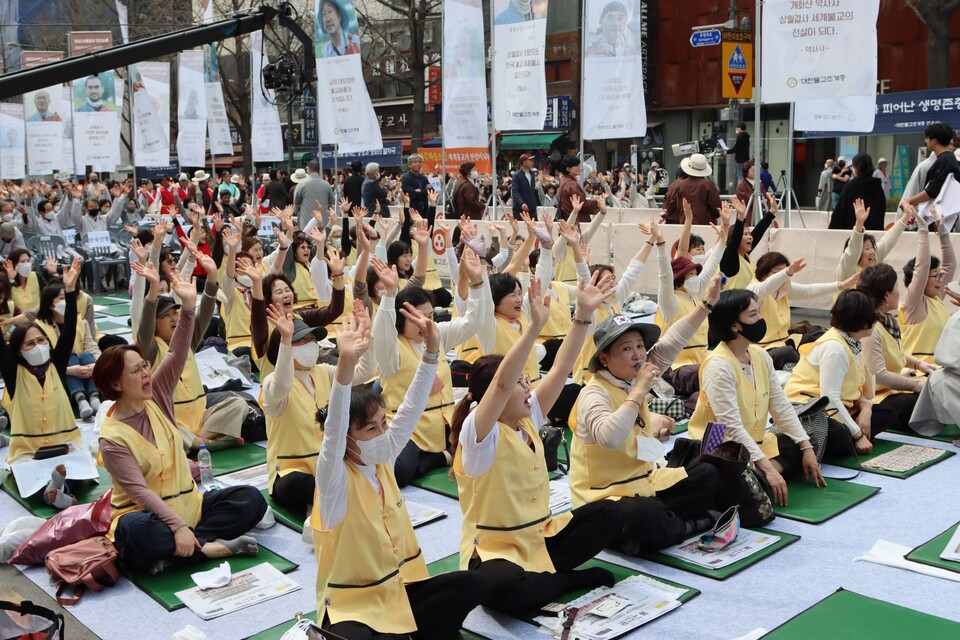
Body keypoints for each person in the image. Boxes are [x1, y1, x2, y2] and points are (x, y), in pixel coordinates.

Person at [450, 275, 624, 615]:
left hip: (539, 537)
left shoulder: (529, 418)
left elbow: (561, 368)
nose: (529, 389)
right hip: (494, 550)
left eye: (527, 380)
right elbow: (500, 385)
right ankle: (567, 580)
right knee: (501, 589)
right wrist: (532, 330)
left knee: (609, 512)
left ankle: (546, 577)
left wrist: (583, 315)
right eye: (521, 382)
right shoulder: (478, 434)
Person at [310, 306, 485, 638]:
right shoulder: (334, 478)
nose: (382, 433)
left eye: (383, 424)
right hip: (354, 605)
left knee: (473, 584)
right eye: (370, 429)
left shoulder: (384, 457)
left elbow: (411, 406)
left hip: (400, 590)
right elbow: (333, 431)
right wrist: (345, 365)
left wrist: (432, 351)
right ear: (348, 437)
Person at [94, 272, 267, 575]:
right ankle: (207, 546)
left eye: (145, 366)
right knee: (135, 531)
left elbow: (175, 353)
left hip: (190, 507)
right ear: (116, 385)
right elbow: (141, 495)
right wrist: (175, 526)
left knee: (251, 499)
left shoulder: (156, 395)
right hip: (147, 515)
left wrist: (188, 308)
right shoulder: (112, 438)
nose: (146, 374)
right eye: (136, 371)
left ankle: (187, 550)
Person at [571, 275, 722, 553]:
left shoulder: (631, 378)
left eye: (640, 346)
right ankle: (680, 525)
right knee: (639, 514)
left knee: (708, 473)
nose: (638, 355)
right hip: (606, 499)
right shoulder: (594, 394)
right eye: (626, 349)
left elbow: (672, 342)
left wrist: (706, 304)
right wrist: (639, 391)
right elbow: (609, 439)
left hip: (643, 484)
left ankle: (651, 530)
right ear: (604, 358)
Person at [689, 289, 826, 507]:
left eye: (759, 312)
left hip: (755, 444)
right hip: (721, 448)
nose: (761, 319)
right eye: (753, 315)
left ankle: (755, 474)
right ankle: (755, 475)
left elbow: (780, 405)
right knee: (754, 494)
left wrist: (806, 447)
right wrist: (770, 469)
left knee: (808, 441)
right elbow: (732, 427)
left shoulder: (760, 355)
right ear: (735, 326)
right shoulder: (718, 366)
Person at [373, 256, 486, 486]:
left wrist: (476, 284)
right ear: (399, 319)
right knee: (396, 472)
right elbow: (381, 334)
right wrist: (389, 294)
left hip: (446, 424)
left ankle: (438, 456)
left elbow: (473, 322)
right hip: (412, 431)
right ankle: (440, 458)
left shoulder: (437, 333)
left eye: (430, 316)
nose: (426, 323)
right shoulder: (391, 350)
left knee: (488, 446)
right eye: (417, 317)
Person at [133, 250, 247, 450]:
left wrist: (212, 276)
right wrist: (152, 289)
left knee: (239, 404)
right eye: (166, 316)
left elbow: (203, 314)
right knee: (160, 427)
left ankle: (199, 442)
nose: (174, 319)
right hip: (171, 419)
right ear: (155, 322)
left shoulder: (187, 341)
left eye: (176, 313)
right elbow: (144, 326)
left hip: (201, 417)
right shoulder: (150, 349)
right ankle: (211, 443)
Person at [1, 259, 82, 494]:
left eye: (41, 340)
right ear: (18, 350)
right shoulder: (13, 373)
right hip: (28, 453)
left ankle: (56, 490)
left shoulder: (56, 365)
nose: (38, 346)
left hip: (64, 448)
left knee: (78, 472)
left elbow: (68, 329)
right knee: (30, 478)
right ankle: (54, 493)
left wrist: (69, 292)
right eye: (30, 343)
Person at [785, 291, 897, 456]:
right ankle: (846, 441)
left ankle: (845, 440)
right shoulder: (835, 349)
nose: (876, 320)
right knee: (841, 435)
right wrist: (858, 435)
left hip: (841, 407)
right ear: (862, 321)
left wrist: (866, 410)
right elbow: (829, 399)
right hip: (810, 411)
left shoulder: (853, 342)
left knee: (888, 413)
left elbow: (863, 388)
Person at [748, 252, 858, 369]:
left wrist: (841, 285)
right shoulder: (754, 290)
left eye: (785, 273)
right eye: (778, 273)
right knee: (786, 353)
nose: (784, 278)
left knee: (820, 334)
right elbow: (766, 287)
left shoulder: (783, 287)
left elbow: (808, 291)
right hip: (763, 349)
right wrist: (787, 272)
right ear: (763, 274)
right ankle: (805, 371)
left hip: (785, 341)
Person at [857, 264, 935, 429]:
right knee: (926, 399)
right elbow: (879, 375)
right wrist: (915, 385)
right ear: (886, 295)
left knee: (934, 386)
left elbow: (893, 352)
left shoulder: (886, 321)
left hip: (890, 389)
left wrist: (917, 363)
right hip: (875, 397)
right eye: (896, 287)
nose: (899, 292)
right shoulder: (870, 328)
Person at [35, 281, 101, 419]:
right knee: (70, 358)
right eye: (61, 298)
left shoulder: (80, 321)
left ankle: (94, 398)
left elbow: (90, 344)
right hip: (56, 372)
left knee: (86, 355)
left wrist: (97, 364)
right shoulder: (38, 327)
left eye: (67, 297)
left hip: (83, 366)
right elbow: (42, 360)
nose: (66, 301)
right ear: (50, 303)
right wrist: (70, 370)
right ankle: (81, 400)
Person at [898, 207, 955, 365]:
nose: (940, 279)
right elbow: (922, 268)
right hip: (916, 375)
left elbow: (950, 265)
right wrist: (923, 231)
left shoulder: (936, 299)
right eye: (935, 275)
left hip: (938, 373)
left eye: (940, 274)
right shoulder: (913, 304)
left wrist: (943, 234)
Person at [835, 199, 911, 283]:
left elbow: (887, 241)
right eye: (867, 248)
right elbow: (853, 250)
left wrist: (907, 215)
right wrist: (859, 223)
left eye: (872, 247)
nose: (872, 251)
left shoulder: (873, 260)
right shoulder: (847, 268)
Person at [905, 123, 960, 209]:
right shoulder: (946, 158)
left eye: (927, 138)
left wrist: (908, 202)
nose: (926, 141)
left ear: (934, 141)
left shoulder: (946, 160)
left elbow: (931, 191)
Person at [829, 153, 887, 230]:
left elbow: (839, 213)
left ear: (856, 167)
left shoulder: (851, 186)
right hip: (874, 235)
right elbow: (881, 210)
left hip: (853, 234)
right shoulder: (877, 187)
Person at [663, 154, 721, 225]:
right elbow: (717, 210)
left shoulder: (679, 185)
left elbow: (675, 206)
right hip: (705, 226)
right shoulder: (708, 185)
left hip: (685, 225)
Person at [558, 156, 604, 223]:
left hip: (568, 219)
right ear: (568, 169)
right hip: (577, 221)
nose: (579, 168)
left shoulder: (564, 182)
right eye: (576, 166)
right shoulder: (572, 184)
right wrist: (598, 202)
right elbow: (582, 204)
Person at [294, 160, 336, 229]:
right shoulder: (327, 184)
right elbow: (330, 203)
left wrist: (298, 213)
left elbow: (297, 203)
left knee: (306, 238)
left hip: (305, 220)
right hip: (323, 221)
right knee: (323, 238)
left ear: (308, 169)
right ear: (319, 170)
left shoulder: (301, 184)